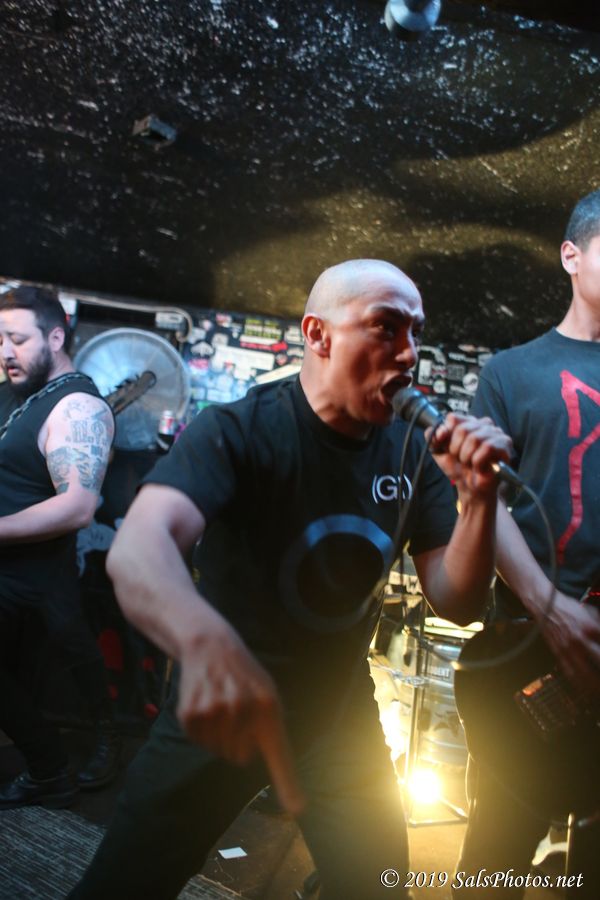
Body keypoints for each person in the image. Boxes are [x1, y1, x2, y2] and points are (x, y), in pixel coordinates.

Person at [69, 259, 511, 900]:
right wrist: (206, 644)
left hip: (338, 715)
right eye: (386, 327)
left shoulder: (413, 451)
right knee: (125, 885)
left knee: (378, 889)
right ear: (318, 334)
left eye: (416, 332)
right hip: (221, 706)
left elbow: (458, 601)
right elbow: (138, 548)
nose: (408, 352)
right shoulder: (241, 428)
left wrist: (480, 502)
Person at [455, 190, 600, 898]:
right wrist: (551, 607)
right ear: (571, 256)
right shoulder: (511, 371)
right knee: (497, 850)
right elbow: (482, 503)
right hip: (527, 644)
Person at [0, 285, 120, 810]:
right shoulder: (12, 393)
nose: (6, 352)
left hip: (38, 572)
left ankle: (97, 740)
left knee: (74, 647)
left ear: (55, 337)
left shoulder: (78, 407)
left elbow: (76, 507)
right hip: (8, 568)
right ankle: (49, 766)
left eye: (18, 339)